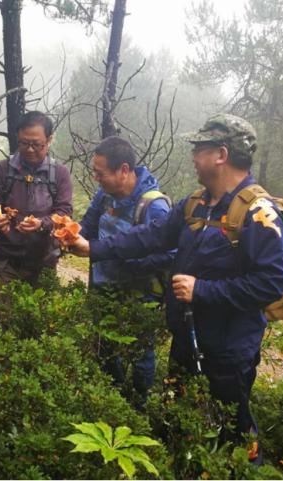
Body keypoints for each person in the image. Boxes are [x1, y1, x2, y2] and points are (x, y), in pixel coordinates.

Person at [69, 114, 283, 460]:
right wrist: (93, 248)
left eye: (199, 149)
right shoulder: (195, 203)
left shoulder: (259, 213)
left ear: (221, 153)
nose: (193, 157)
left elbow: (272, 283)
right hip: (186, 341)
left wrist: (202, 290)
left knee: (234, 433)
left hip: (229, 351)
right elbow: (151, 237)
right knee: (181, 424)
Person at [80, 136, 173, 404]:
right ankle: (112, 398)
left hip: (139, 296)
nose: (96, 178)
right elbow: (88, 226)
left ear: (123, 170)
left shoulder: (154, 205)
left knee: (140, 351)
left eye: (101, 173)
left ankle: (139, 404)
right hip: (102, 288)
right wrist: (69, 236)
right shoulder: (104, 195)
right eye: (93, 172)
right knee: (104, 346)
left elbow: (170, 254)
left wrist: (128, 263)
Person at [0, 111, 72, 323]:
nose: (29, 150)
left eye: (37, 144)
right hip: (5, 260)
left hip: (44, 261)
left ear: (49, 140)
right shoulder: (2, 170)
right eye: (23, 143)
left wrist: (42, 224)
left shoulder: (59, 174)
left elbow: (64, 212)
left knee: (37, 323)